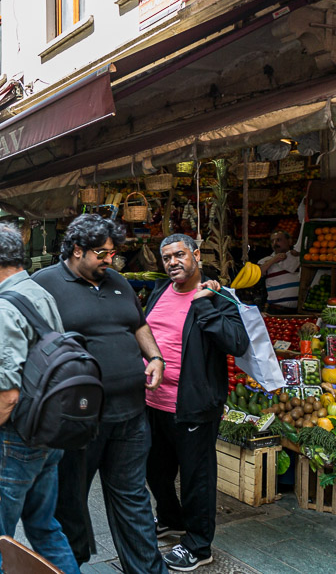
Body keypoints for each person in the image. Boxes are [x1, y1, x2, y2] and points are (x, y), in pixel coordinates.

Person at [31, 213, 166, 573]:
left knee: (134, 498)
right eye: (103, 254)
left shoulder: (118, 282)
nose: (110, 261)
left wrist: (154, 357)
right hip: (78, 419)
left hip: (132, 414)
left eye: (113, 254)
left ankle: (147, 570)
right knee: (69, 501)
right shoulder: (42, 285)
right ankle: (68, 566)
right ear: (77, 250)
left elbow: (138, 324)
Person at [0, 223, 80, 574]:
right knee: (44, 527)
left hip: (14, 439)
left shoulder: (3, 308)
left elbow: (7, 395)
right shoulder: (38, 292)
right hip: (47, 431)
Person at [146, 234, 248, 571]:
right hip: (153, 402)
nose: (173, 262)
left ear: (196, 255)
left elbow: (237, 342)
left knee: (196, 477)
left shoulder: (218, 296)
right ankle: (172, 518)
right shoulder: (159, 291)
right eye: (166, 258)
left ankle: (198, 544)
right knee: (156, 471)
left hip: (194, 403)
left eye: (179, 255)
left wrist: (204, 303)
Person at [258, 230, 300, 314]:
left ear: (289, 241)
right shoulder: (265, 260)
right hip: (276, 310)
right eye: (272, 241)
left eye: (278, 240)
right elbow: (256, 274)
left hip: (299, 310)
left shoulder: (298, 258)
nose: (275, 243)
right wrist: (274, 260)